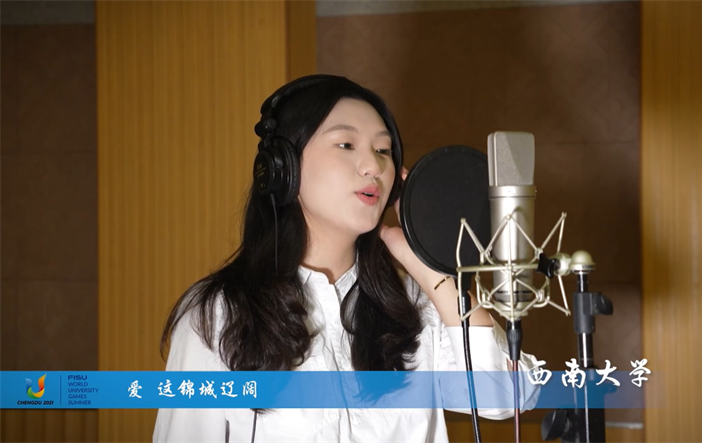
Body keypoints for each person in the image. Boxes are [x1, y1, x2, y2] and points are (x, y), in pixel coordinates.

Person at [153, 75, 539, 442]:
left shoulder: (415, 304)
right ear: (284, 168)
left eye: (383, 150)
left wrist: (429, 268)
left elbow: (509, 397)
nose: (374, 166)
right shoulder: (217, 314)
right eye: (346, 145)